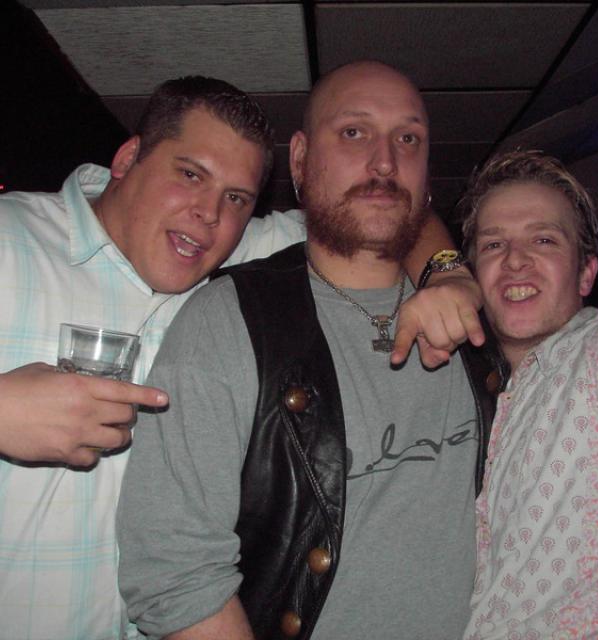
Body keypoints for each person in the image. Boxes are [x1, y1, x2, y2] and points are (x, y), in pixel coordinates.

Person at [0, 73, 478, 640]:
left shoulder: (243, 257)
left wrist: (450, 272)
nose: (209, 212)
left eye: (236, 198)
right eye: (190, 174)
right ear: (128, 159)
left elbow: (386, 206)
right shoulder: (11, 240)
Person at [116, 60, 511, 640]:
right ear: (299, 159)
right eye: (354, 132)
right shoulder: (229, 320)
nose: (385, 162)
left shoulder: (483, 315)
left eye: (408, 139)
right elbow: (174, 575)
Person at [457, 150, 598, 639]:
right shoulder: (477, 394)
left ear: (586, 273)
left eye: (543, 239)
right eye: (494, 244)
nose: (515, 259)